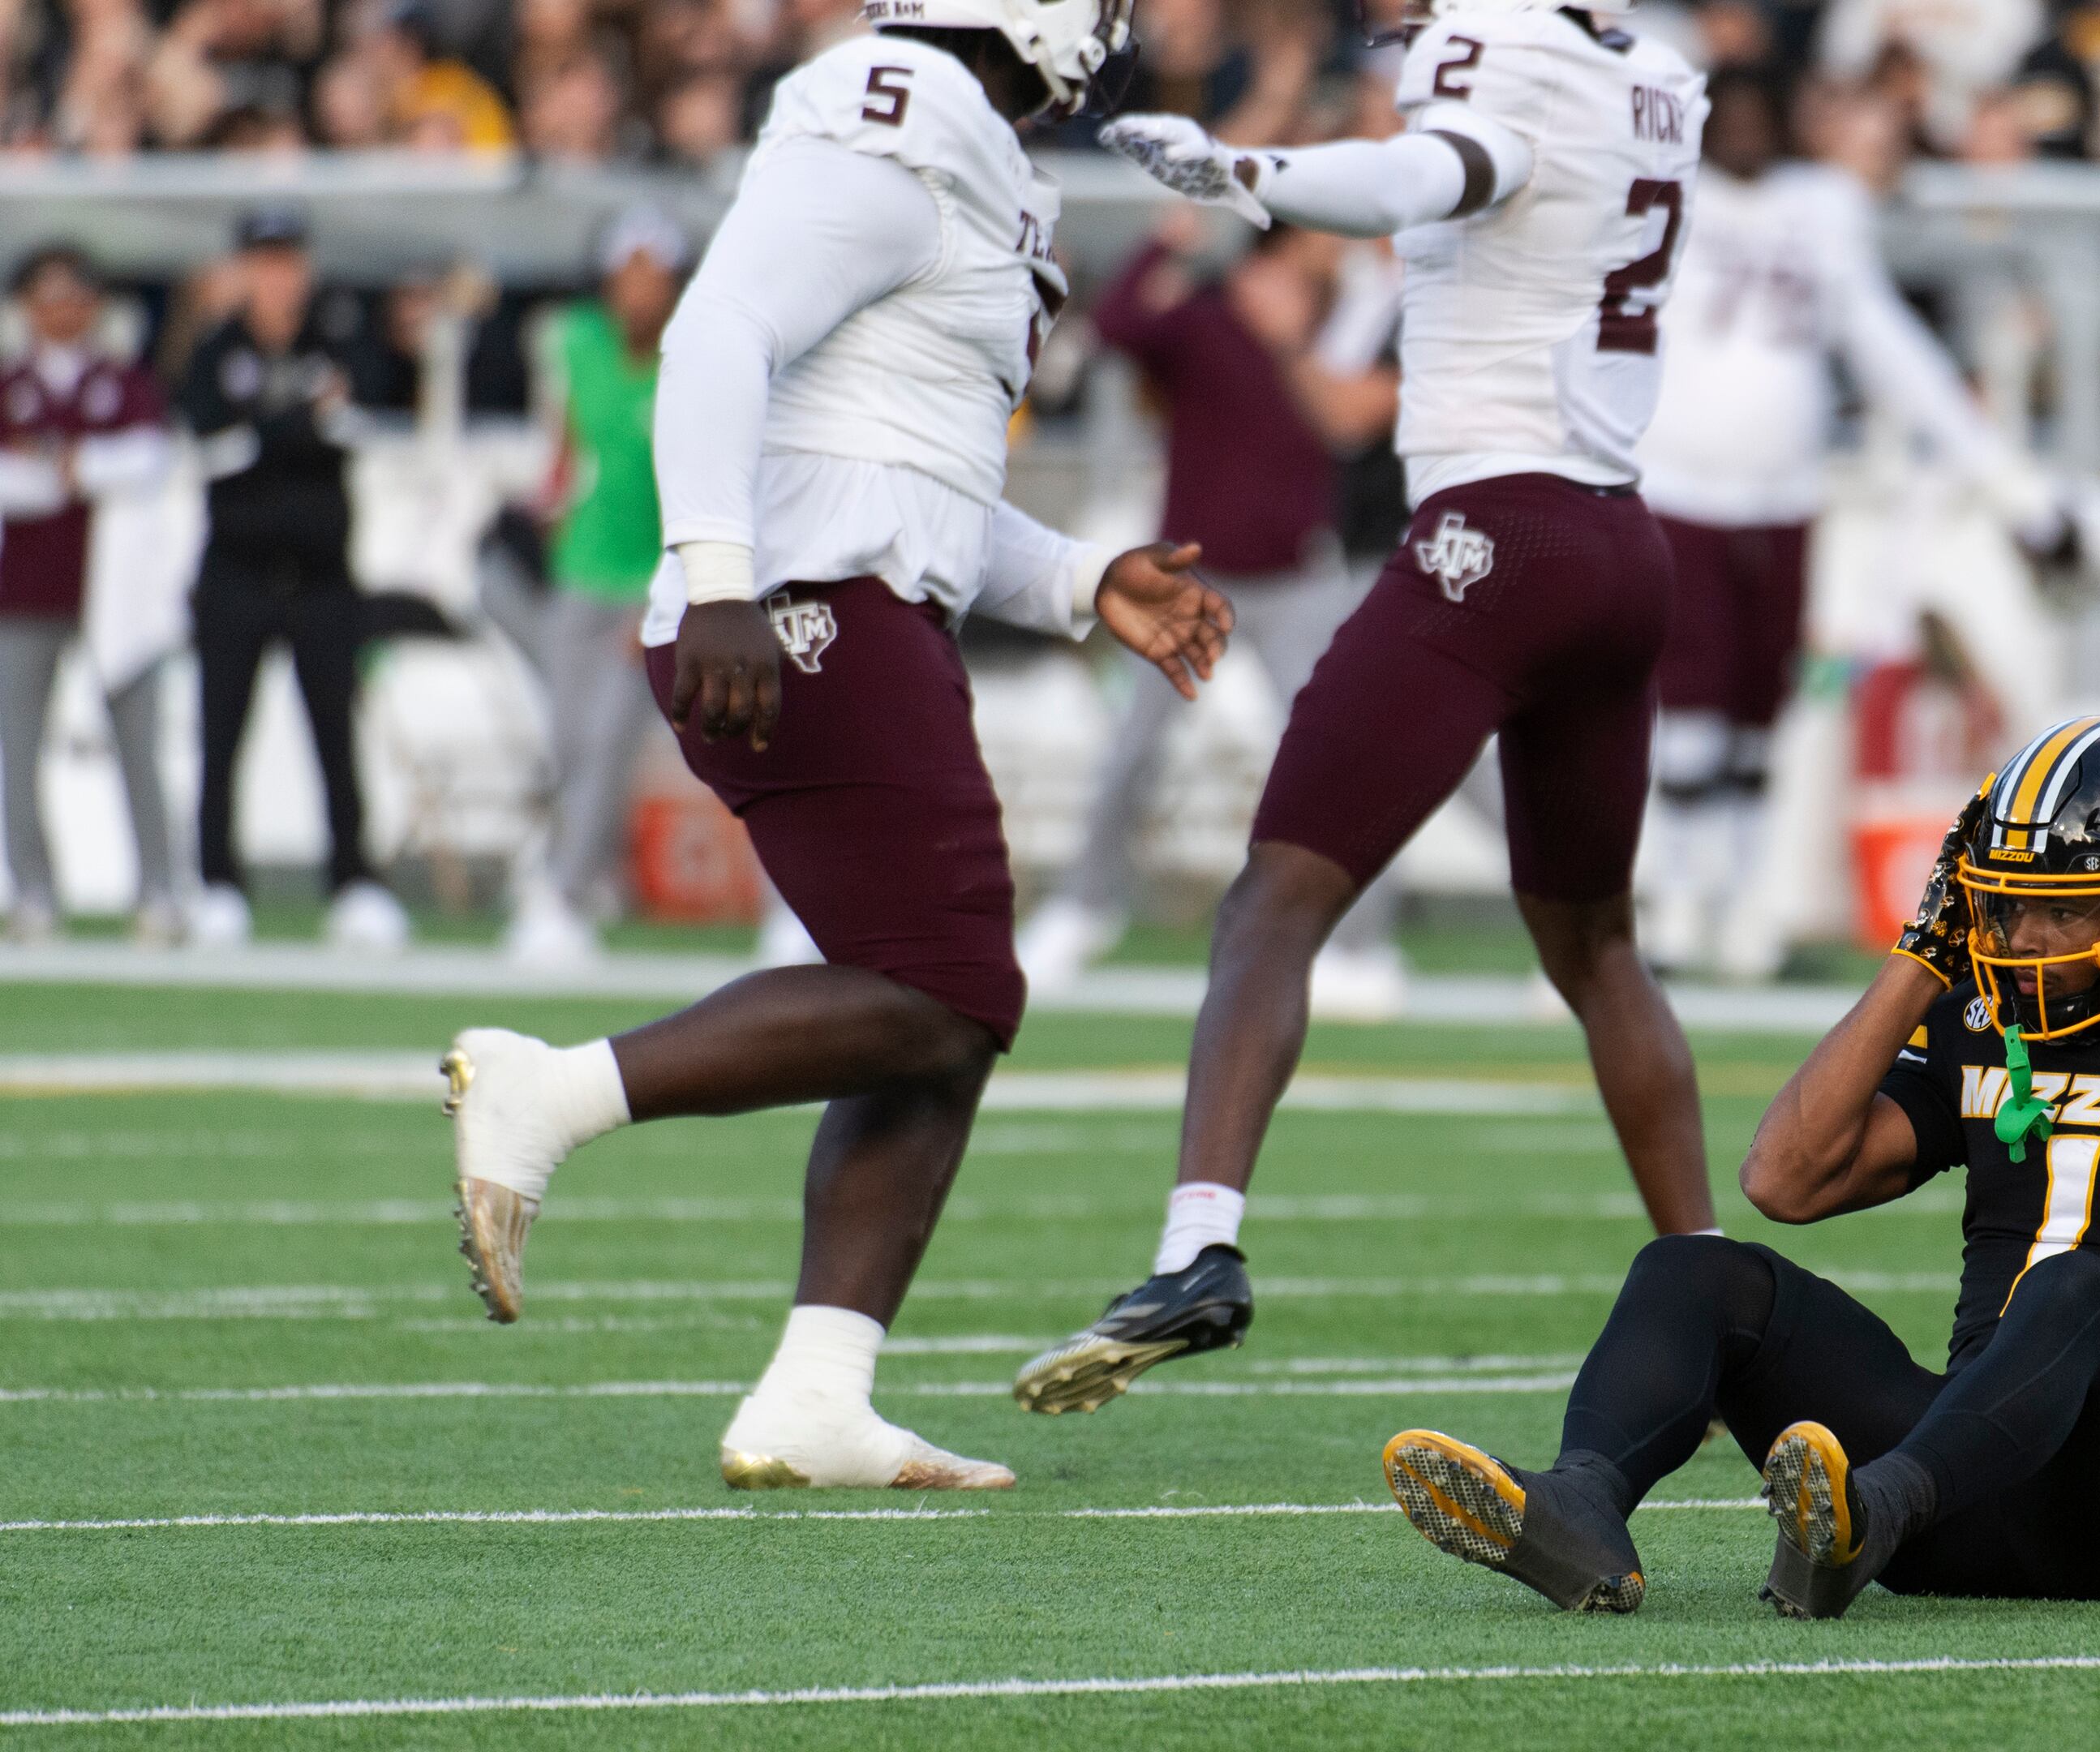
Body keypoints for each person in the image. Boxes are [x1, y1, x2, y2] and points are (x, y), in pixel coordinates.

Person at [434, 0, 1234, 1491]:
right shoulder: (894, 120)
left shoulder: (962, 157)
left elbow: (900, 466)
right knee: (950, 991)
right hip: (797, 608)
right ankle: (551, 1092)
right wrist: (724, 573)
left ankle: (820, 1391)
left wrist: (1077, 578)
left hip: (841, 593)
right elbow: (717, 331)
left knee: (941, 997)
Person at [1028, 0, 1718, 1414]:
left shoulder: (1501, 50)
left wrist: (1252, 173)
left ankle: (1197, 1246)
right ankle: (1710, 1281)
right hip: (1620, 544)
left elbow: (1426, 174)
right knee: (1598, 951)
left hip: (1497, 536)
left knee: (1271, 901)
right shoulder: (1660, 78)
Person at [1378, 717, 2100, 1616]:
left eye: (2064, 912)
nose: (2022, 943)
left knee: (2081, 1291)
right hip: (1966, 1487)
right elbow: (1785, 1178)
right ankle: (1582, 1503)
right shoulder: (1984, 1015)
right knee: (1695, 1267)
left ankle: (1868, 1516)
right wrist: (1923, 955)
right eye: (2003, 908)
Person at [1630, 63, 2069, 981]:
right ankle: (1673, 902)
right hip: (1679, 486)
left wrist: (2005, 479)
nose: (1747, 130)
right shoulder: (1665, 194)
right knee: (1691, 710)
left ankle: (1745, 905)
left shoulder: (1820, 205)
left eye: (1763, 111)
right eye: (1731, 114)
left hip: (1784, 492)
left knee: (1759, 708)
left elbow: (1883, 342)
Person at [1013, 211, 1410, 1016]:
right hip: (1192, 575)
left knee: (1345, 756)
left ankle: (1363, 944)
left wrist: (1297, 336)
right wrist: (1171, 241)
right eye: (1301, 257)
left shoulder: (1332, 341)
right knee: (1133, 750)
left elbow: (1357, 412)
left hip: (1299, 578)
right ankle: (1083, 908)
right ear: (1259, 263)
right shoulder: (1206, 323)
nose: (1314, 272)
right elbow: (1120, 324)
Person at [178, 207, 410, 953]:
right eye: (263, 260)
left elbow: (366, 420)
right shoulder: (216, 348)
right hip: (236, 573)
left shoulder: (338, 338)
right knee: (221, 736)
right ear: (242, 268)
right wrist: (293, 426)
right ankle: (216, 883)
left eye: (288, 260)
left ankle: (354, 883)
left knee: (336, 735)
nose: (277, 277)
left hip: (321, 574)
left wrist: (277, 430)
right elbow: (208, 444)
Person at [500, 206, 688, 966]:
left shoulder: (692, 356)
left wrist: (668, 590)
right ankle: (577, 874)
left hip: (646, 580)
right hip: (580, 567)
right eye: (628, 273)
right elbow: (567, 444)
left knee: (612, 737)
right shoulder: (578, 342)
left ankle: (563, 893)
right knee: (574, 739)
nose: (639, 290)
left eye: (654, 274)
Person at [0, 246, 179, 947]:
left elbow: (148, 460)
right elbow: (18, 484)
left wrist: (76, 466)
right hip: (25, 592)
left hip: (115, 594)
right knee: (19, 747)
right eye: (49, 296)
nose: (63, 310)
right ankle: (34, 890)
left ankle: (161, 889)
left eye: (76, 295)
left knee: (139, 745)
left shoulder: (124, 382)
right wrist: (72, 471)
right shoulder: (13, 382)